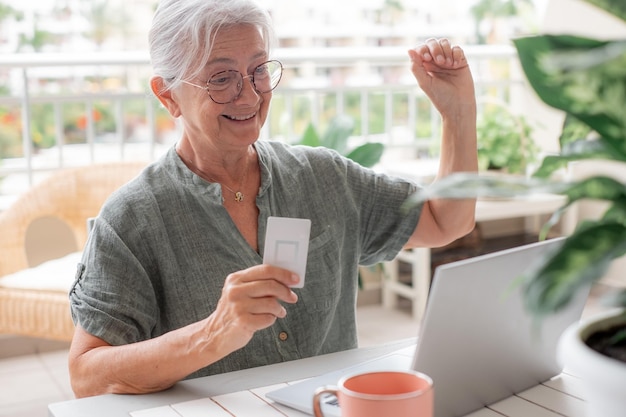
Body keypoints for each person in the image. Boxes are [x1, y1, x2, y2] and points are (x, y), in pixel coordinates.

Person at [68, 0, 477, 398]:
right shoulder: (131, 218)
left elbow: (446, 220)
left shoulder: (323, 177)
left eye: (258, 70)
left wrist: (457, 113)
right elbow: (87, 375)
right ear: (168, 95)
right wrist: (214, 333)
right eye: (221, 78)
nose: (248, 96)